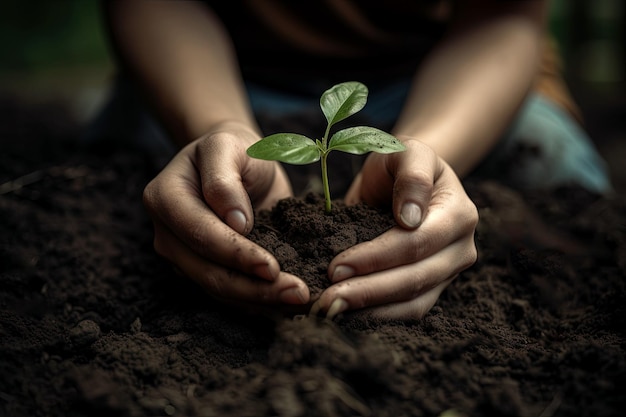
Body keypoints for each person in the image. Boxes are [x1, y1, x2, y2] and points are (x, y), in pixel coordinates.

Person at [93, 0, 611, 320]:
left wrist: (425, 152)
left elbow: (505, 16)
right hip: (212, 69)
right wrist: (216, 126)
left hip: (446, 70)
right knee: (125, 173)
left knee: (562, 179)